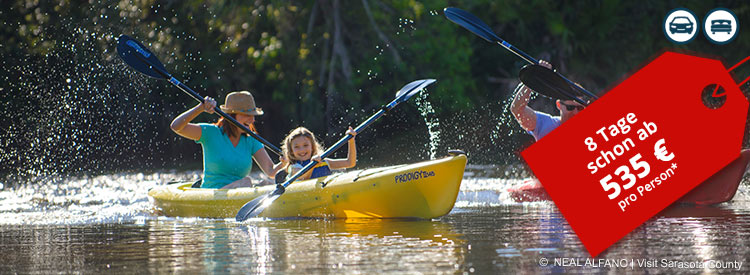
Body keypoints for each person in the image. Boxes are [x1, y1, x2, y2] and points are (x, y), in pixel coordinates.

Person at [170, 91, 285, 189]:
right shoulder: (211, 132)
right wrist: (200, 108)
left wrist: (285, 161)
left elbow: (270, 171)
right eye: (247, 115)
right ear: (231, 116)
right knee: (247, 182)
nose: (252, 119)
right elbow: (176, 126)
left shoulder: (252, 139)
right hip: (212, 194)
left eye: (253, 115)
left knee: (267, 183)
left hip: (238, 192)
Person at [510, 60, 586, 141]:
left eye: (580, 108)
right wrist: (536, 77)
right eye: (570, 108)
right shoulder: (544, 123)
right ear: (559, 105)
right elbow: (517, 109)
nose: (575, 113)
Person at [279, 126, 357, 181]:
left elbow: (350, 163)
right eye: (297, 147)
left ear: (312, 147)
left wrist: (351, 141)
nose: (302, 150)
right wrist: (313, 165)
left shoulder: (323, 162)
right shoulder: (293, 167)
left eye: (305, 145)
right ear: (291, 150)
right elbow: (303, 176)